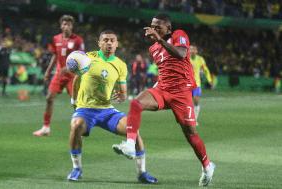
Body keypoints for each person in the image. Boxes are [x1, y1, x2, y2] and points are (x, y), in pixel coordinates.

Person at [112, 14, 215, 187]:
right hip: (163, 89)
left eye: (159, 26)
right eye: (153, 25)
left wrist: (160, 39)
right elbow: (165, 70)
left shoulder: (179, 35)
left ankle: (207, 167)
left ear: (168, 28)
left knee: (190, 134)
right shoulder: (154, 48)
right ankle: (130, 145)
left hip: (182, 93)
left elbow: (181, 54)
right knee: (136, 103)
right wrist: (154, 88)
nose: (154, 29)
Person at [66, 30, 157, 183]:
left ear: (116, 44)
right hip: (85, 109)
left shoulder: (121, 65)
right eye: (105, 40)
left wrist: (121, 96)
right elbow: (76, 80)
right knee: (76, 126)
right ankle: (76, 169)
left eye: (112, 40)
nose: (109, 43)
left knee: (133, 130)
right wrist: (73, 102)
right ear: (99, 43)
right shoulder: (88, 57)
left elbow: (123, 92)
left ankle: (142, 173)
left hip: (107, 110)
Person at [33, 15, 84, 136]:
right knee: (49, 98)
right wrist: (48, 71)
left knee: (76, 103)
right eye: (64, 24)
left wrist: (70, 67)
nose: (66, 26)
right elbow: (55, 55)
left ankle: (81, 127)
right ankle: (46, 127)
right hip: (59, 74)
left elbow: (82, 57)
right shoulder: (56, 39)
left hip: (73, 76)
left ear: (72, 26)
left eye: (69, 24)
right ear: (61, 26)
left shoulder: (78, 40)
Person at [190, 45, 212, 125]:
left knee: (196, 101)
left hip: (196, 84)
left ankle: (194, 120)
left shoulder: (200, 59)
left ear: (196, 51)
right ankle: (187, 119)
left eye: (193, 49)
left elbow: (205, 70)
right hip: (187, 84)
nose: (191, 50)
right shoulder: (185, 58)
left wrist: (209, 80)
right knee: (186, 102)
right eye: (190, 49)